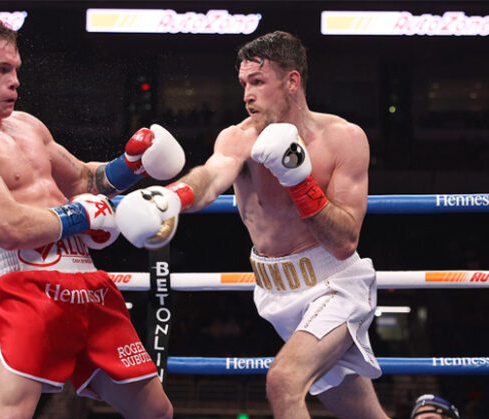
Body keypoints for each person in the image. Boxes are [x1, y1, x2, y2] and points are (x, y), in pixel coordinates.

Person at [116, 30, 390, 418]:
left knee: (284, 381)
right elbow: (210, 180)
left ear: (292, 81)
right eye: (244, 83)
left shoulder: (344, 139)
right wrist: (170, 198)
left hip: (336, 285)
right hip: (275, 294)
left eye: (258, 82)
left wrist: (298, 179)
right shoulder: (237, 138)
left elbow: (345, 240)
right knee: (362, 414)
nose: (247, 94)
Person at [0, 17, 183, 419]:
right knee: (5, 413)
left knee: (156, 412)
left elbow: (84, 179)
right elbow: (10, 228)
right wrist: (82, 215)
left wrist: (132, 166)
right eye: (0, 70)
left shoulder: (27, 125)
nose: (14, 81)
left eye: (15, 70)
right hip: (28, 285)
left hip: (91, 285)